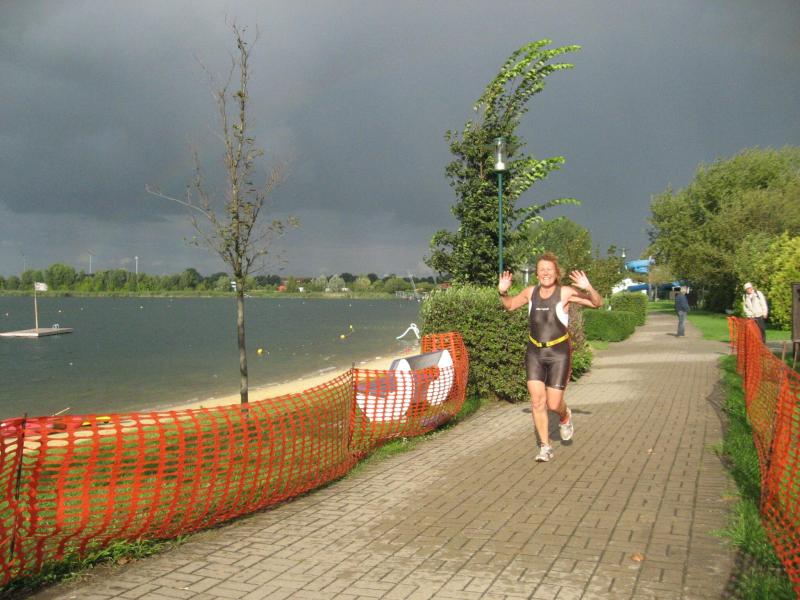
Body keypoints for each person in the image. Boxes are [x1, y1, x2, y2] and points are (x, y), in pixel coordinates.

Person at [498, 252, 603, 462]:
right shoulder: (530, 292)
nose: (546, 273)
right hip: (535, 352)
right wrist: (502, 291)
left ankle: (565, 416)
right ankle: (545, 447)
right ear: (537, 274)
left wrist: (588, 288)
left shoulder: (565, 292)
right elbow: (509, 305)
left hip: (558, 353)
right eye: (542, 269)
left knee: (554, 404)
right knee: (537, 402)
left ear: (556, 273)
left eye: (549, 269)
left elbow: (597, 303)